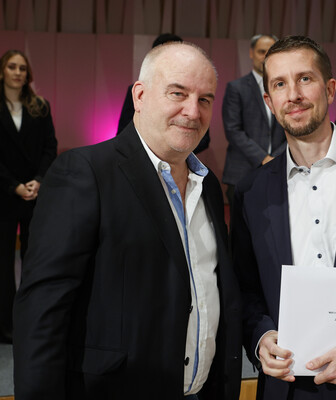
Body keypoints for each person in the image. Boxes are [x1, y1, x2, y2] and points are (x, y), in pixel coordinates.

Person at [13, 42, 242, 399]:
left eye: (205, 99)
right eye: (178, 93)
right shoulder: (85, 173)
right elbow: (42, 312)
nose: (192, 111)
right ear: (140, 95)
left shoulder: (209, 185)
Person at [232, 35, 336, 400]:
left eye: (304, 79)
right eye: (280, 84)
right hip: (287, 386)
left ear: (330, 88)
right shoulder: (251, 192)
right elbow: (245, 291)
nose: (293, 94)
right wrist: (261, 337)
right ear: (269, 101)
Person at [0, 50, 57, 344]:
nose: (18, 72)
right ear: (2, 71)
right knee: (2, 264)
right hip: (3, 195)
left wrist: (39, 180)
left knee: (35, 260)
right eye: (12, 67)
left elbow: (50, 147)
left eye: (22, 68)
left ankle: (33, 320)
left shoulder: (40, 107)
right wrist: (13, 186)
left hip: (35, 195)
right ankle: (5, 324)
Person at [116, 33, 210, 154]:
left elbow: (203, 139)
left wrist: (176, 152)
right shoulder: (140, 90)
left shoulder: (197, 92)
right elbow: (124, 132)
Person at [222, 34, 286, 209]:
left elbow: (292, 129)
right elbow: (233, 131)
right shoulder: (236, 88)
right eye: (261, 51)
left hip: (279, 170)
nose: (265, 56)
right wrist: (264, 158)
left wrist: (276, 158)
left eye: (270, 52)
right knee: (241, 226)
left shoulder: (287, 89)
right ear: (251, 53)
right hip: (242, 172)